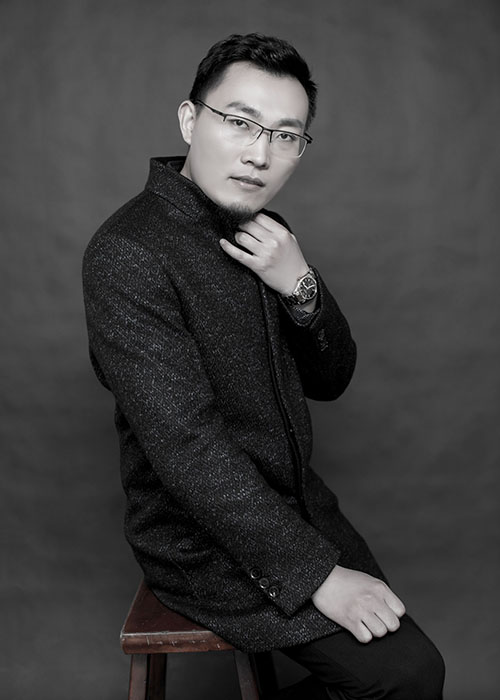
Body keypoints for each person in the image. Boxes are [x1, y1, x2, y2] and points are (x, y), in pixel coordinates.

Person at [82, 33, 445, 699]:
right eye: (240, 122)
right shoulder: (127, 253)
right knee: (404, 678)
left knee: (410, 668)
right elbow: (189, 450)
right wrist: (318, 576)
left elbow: (332, 379)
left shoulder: (263, 229)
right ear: (190, 120)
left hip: (297, 511)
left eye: (285, 135)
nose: (259, 153)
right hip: (199, 541)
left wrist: (298, 282)